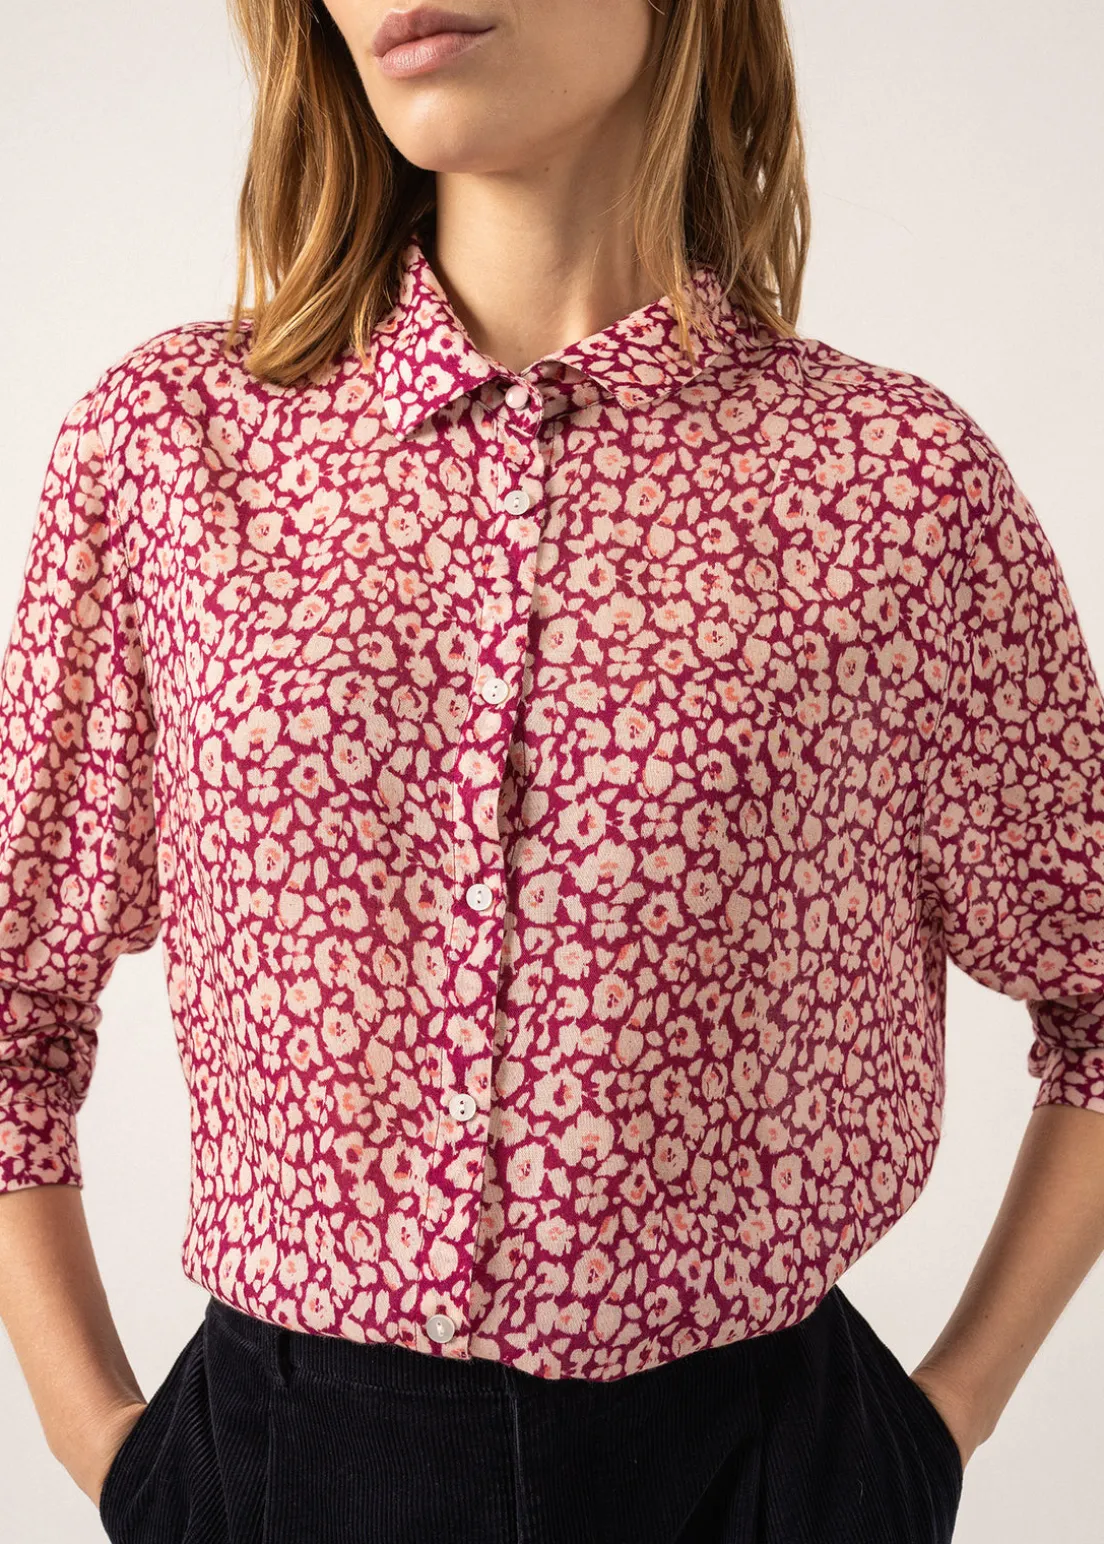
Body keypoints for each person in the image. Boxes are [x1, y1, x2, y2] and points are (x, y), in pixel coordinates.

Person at [1, 2, 1102, 1541]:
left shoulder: (894, 487)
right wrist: (108, 1445)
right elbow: (14, 996)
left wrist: (938, 1427)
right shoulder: (170, 452)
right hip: (285, 1469)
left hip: (768, 1474)